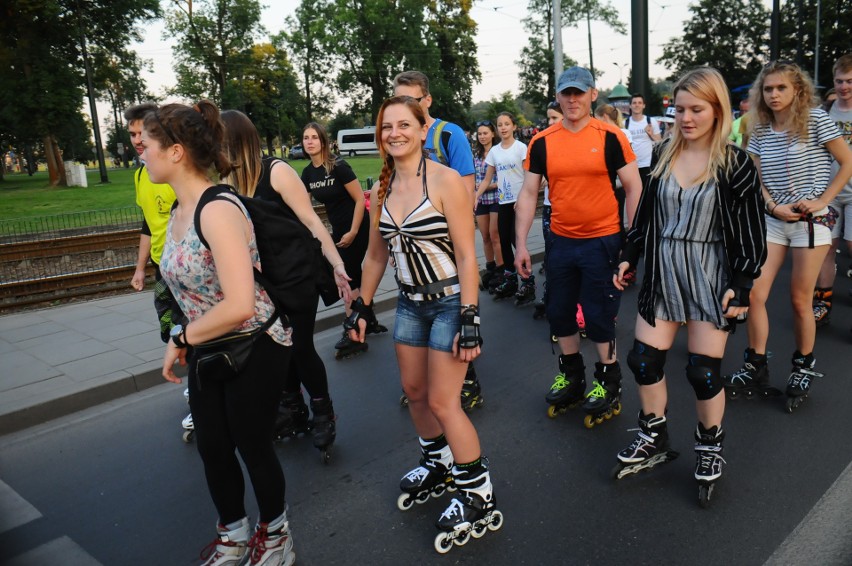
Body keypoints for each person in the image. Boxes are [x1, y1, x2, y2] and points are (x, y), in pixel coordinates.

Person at [347, 95, 500, 550]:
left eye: (403, 125)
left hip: (451, 302)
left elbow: (469, 255)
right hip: (410, 305)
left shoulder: (447, 180)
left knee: (442, 401)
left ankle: (476, 489)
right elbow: (376, 255)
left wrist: (471, 316)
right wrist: (362, 304)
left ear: (420, 128)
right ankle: (437, 461)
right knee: (414, 394)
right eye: (386, 127)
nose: (394, 133)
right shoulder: (381, 188)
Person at [611, 68, 767, 503]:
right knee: (643, 361)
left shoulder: (735, 164)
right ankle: (654, 435)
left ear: (717, 110)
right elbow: (645, 218)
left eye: (696, 109)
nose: (686, 117)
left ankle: (710, 445)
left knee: (702, 372)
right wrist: (629, 255)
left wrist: (743, 280)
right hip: (663, 271)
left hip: (709, 274)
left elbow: (752, 231)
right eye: (679, 109)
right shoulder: (661, 154)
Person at [151, 101, 296, 565]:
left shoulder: (217, 209)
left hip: (255, 341)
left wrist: (180, 339)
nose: (140, 155)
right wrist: (187, 336)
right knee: (214, 447)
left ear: (176, 152)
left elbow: (238, 304)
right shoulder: (179, 208)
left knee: (252, 446)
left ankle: (277, 539)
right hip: (210, 344)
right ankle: (233, 537)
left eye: (147, 146)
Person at [514, 66, 642, 427]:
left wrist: (632, 238)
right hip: (561, 241)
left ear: (592, 95)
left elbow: (633, 187)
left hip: (602, 240)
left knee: (600, 316)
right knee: (559, 312)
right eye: (566, 93)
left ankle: (608, 379)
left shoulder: (611, 136)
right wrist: (521, 244)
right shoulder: (543, 141)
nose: (572, 100)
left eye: (579, 93)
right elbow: (528, 193)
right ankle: (572, 376)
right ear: (557, 96)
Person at [220, 110, 352, 459]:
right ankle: (293, 407)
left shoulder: (276, 171)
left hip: (295, 272)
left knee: (300, 346)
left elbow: (311, 220)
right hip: (260, 280)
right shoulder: (224, 181)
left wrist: (337, 265)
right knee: (277, 348)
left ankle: (323, 411)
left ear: (234, 140)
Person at [723, 61, 852, 411]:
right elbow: (755, 176)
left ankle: (803, 365)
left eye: (781, 88)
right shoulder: (759, 127)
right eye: (768, 89)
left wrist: (823, 200)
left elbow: (847, 161)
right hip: (774, 220)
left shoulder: (816, 120)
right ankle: (755, 365)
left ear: (797, 90)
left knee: (799, 300)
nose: (774, 94)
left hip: (811, 222)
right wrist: (769, 205)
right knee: (754, 294)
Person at [393, 70, 482, 409]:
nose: (405, 106)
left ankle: (468, 380)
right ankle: (427, 383)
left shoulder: (449, 135)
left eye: (412, 99)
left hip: (445, 246)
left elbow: (467, 187)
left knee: (453, 312)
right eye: (399, 99)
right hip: (411, 248)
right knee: (419, 317)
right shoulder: (400, 137)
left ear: (427, 100)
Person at [299, 121, 384, 358]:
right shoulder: (307, 173)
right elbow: (304, 208)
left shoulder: (338, 166)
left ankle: (353, 330)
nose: (310, 142)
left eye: (314, 137)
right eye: (306, 138)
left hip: (357, 226)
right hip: (338, 231)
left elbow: (359, 200)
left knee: (347, 278)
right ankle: (369, 318)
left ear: (323, 141)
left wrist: (354, 232)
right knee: (352, 275)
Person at [126, 102, 179, 338]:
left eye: (141, 134)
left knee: (189, 335)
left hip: (184, 268)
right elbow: (148, 224)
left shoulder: (173, 173)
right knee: (168, 332)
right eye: (132, 134)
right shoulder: (140, 175)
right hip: (161, 267)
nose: (137, 140)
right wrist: (140, 269)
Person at [475, 111, 535, 304]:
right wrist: (475, 197)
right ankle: (510, 279)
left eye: (507, 124)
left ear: (514, 127)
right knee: (503, 240)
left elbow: (529, 175)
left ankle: (528, 282)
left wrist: (524, 197)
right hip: (503, 202)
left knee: (517, 241)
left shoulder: (521, 148)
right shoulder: (494, 151)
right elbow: (486, 179)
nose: (503, 127)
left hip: (520, 201)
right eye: (500, 124)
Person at [812, 54, 852, 328]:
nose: (843, 86)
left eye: (849, 81)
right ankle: (822, 304)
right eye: (839, 81)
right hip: (828, 192)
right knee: (826, 248)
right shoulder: (823, 112)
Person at [533, 101, 566, 320]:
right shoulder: (544, 143)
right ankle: (551, 297)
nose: (550, 122)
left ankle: (575, 302)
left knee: (568, 260)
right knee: (551, 257)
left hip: (571, 213)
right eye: (549, 118)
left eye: (554, 117)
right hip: (549, 209)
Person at [473, 120, 502, 291]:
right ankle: (490, 268)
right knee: (485, 236)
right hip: (481, 200)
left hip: (496, 198)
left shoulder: (498, 152)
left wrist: (490, 185)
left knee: (494, 235)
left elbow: (505, 176)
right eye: (480, 134)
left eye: (485, 133)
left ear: (492, 134)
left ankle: (501, 270)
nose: (482, 136)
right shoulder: (475, 154)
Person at [627, 92, 663, 187]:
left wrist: (651, 135)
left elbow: (659, 142)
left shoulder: (651, 122)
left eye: (639, 103)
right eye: (634, 103)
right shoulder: (625, 123)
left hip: (648, 164)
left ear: (644, 105)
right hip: (631, 165)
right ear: (630, 106)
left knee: (647, 193)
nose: (637, 105)